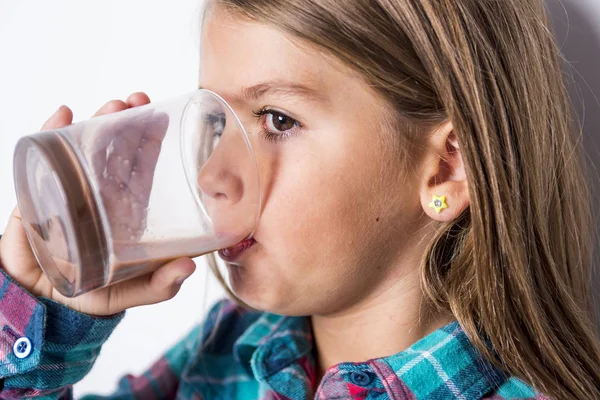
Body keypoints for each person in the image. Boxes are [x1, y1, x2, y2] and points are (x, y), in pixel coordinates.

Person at [1, 0, 599, 398]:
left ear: (446, 166)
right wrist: (44, 320)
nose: (211, 171)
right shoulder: (230, 348)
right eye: (214, 122)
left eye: (278, 120)